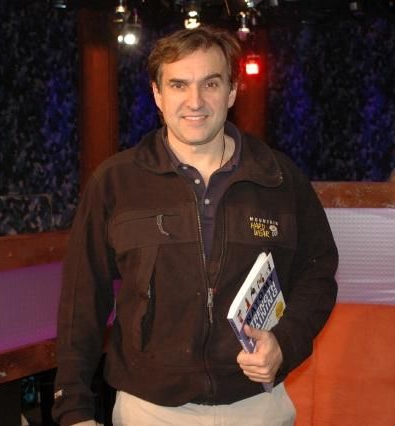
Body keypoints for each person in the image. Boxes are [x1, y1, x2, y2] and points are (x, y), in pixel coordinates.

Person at [52, 25, 338, 426]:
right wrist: (73, 409)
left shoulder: (279, 179)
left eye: (211, 83)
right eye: (178, 85)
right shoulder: (115, 183)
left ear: (232, 91)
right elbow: (82, 301)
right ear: (157, 94)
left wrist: (284, 342)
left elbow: (318, 274)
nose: (195, 101)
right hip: (149, 411)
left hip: (256, 406)